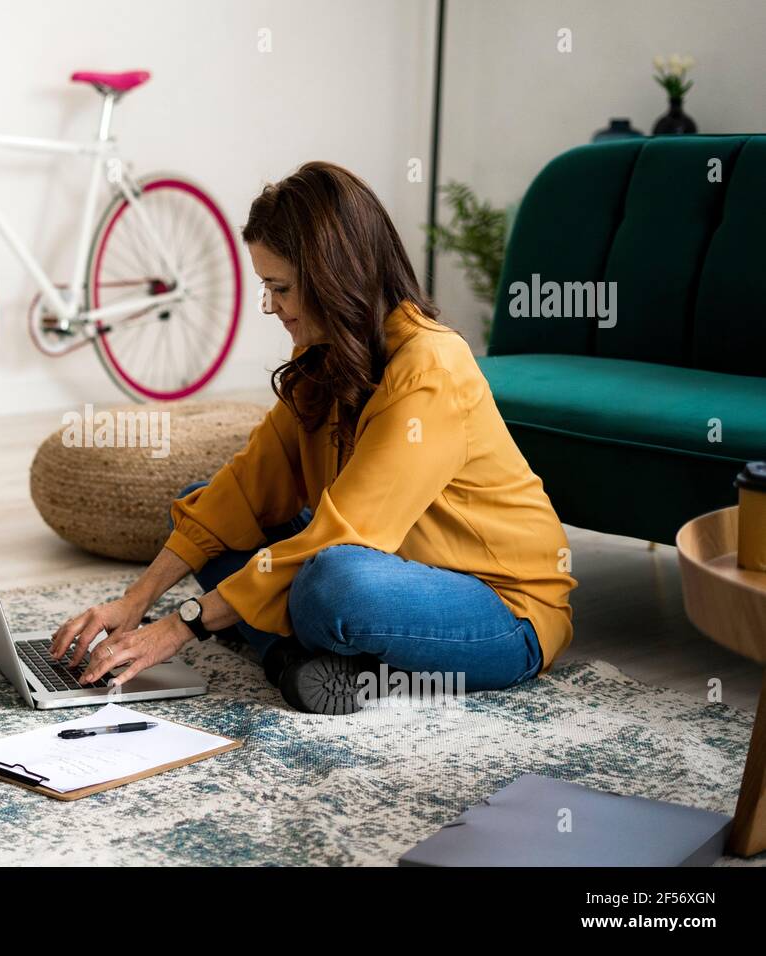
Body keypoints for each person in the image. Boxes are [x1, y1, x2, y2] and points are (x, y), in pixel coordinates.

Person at [49, 160, 577, 714]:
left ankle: (291, 647)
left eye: (279, 288)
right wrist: (136, 601)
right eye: (266, 288)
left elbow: (343, 539)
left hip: (500, 608)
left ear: (334, 275)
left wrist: (180, 626)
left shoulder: (430, 370)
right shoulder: (322, 355)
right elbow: (247, 487)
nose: (271, 307)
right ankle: (296, 662)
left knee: (332, 583)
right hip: (389, 561)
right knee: (216, 518)